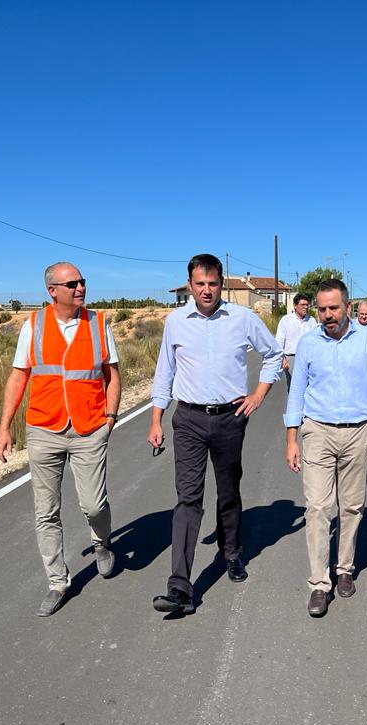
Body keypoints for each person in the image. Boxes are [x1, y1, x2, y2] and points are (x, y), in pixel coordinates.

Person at [148, 253, 283, 614]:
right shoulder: (175, 322)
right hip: (188, 419)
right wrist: (156, 419)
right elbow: (165, 371)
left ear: (222, 284)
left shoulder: (243, 318)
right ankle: (179, 586)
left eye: (213, 284)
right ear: (190, 285)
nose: (206, 290)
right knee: (188, 499)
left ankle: (232, 553)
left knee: (228, 492)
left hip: (229, 419)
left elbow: (274, 355)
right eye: (200, 284)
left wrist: (258, 395)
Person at [0, 261, 121, 617]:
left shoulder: (98, 324)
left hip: (89, 428)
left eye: (82, 282)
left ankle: (102, 543)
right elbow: (19, 378)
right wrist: (5, 427)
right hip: (44, 429)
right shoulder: (32, 326)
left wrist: (109, 418)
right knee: (45, 511)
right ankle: (57, 582)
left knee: (94, 505)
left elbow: (112, 375)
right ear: (52, 290)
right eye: (72, 284)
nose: (80, 288)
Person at [284, 279, 367, 618]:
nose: (328, 315)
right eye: (322, 309)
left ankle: (344, 568)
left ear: (347, 307)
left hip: (360, 431)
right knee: (317, 507)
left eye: (334, 308)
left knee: (351, 506)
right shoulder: (308, 343)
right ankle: (319, 584)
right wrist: (292, 437)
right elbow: (297, 391)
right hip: (317, 430)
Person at [275, 292, 318, 386]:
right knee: (293, 388)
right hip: (292, 359)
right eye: (303, 305)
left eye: (307, 305)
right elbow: (279, 341)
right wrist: (282, 359)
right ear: (295, 306)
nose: (306, 307)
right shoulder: (286, 320)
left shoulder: (312, 321)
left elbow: (316, 342)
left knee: (309, 387)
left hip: (308, 359)